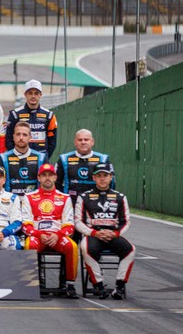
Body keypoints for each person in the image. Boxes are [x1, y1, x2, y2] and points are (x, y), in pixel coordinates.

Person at [75, 163, 135, 300]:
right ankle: (99, 285)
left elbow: (126, 221)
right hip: (93, 235)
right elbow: (78, 222)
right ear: (93, 178)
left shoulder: (120, 197)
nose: (102, 179)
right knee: (85, 249)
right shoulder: (84, 197)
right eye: (99, 176)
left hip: (113, 235)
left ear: (111, 177)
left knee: (131, 250)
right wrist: (94, 233)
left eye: (105, 176)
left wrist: (116, 233)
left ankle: (119, 286)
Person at [21, 163, 79, 299]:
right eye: (44, 175)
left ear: (55, 177)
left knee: (72, 246)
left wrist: (58, 235)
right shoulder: (29, 197)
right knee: (29, 245)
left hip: (57, 236)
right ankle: (34, 283)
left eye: (50, 175)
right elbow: (26, 224)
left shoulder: (65, 197)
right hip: (37, 235)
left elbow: (69, 224)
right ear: (38, 178)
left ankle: (69, 284)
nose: (47, 178)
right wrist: (38, 234)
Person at [4, 79, 57, 158]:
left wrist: (44, 158)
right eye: (30, 93)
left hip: (41, 158)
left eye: (36, 93)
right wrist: (16, 156)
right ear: (25, 94)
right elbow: (8, 140)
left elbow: (52, 142)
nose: (33, 96)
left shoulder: (49, 115)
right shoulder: (15, 114)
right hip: (20, 158)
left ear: (40, 95)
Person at [57, 129, 113, 204]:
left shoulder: (103, 159)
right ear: (75, 142)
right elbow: (56, 183)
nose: (83, 142)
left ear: (92, 142)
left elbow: (112, 183)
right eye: (80, 140)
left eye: (86, 140)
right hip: (71, 204)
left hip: (96, 204)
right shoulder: (64, 159)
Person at [0, 122, 46, 195]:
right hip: (11, 203)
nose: (21, 138)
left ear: (30, 138)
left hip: (34, 203)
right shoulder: (3, 158)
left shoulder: (41, 158)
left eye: (24, 135)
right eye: (18, 134)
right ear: (14, 137)